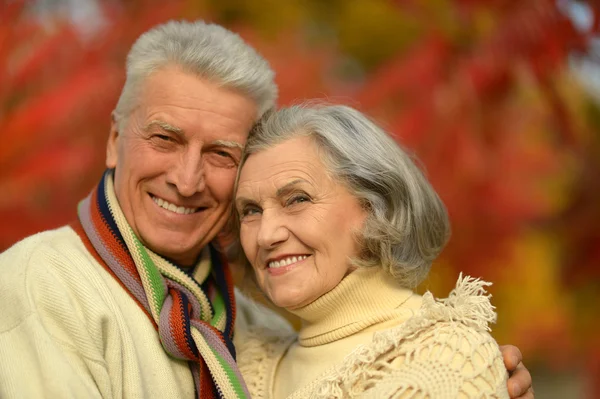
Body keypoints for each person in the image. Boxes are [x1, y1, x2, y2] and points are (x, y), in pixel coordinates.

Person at [0, 20, 533, 398]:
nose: (186, 180)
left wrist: (471, 374)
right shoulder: (40, 284)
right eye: (164, 138)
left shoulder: (245, 326)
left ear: (373, 209)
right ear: (115, 141)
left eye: (219, 154)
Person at [232, 102, 523, 398]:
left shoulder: (448, 359)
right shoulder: (244, 362)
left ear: (374, 207)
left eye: (296, 200)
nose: (266, 235)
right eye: (251, 210)